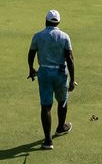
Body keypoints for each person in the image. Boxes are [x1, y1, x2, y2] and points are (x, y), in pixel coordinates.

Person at [25, 9, 75, 150]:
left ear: (46, 21)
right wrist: (72, 79)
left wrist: (31, 68)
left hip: (45, 73)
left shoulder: (38, 36)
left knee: (46, 106)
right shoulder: (64, 37)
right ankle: (61, 127)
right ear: (58, 22)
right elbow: (70, 59)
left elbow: (31, 53)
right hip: (60, 73)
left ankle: (48, 141)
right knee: (62, 101)